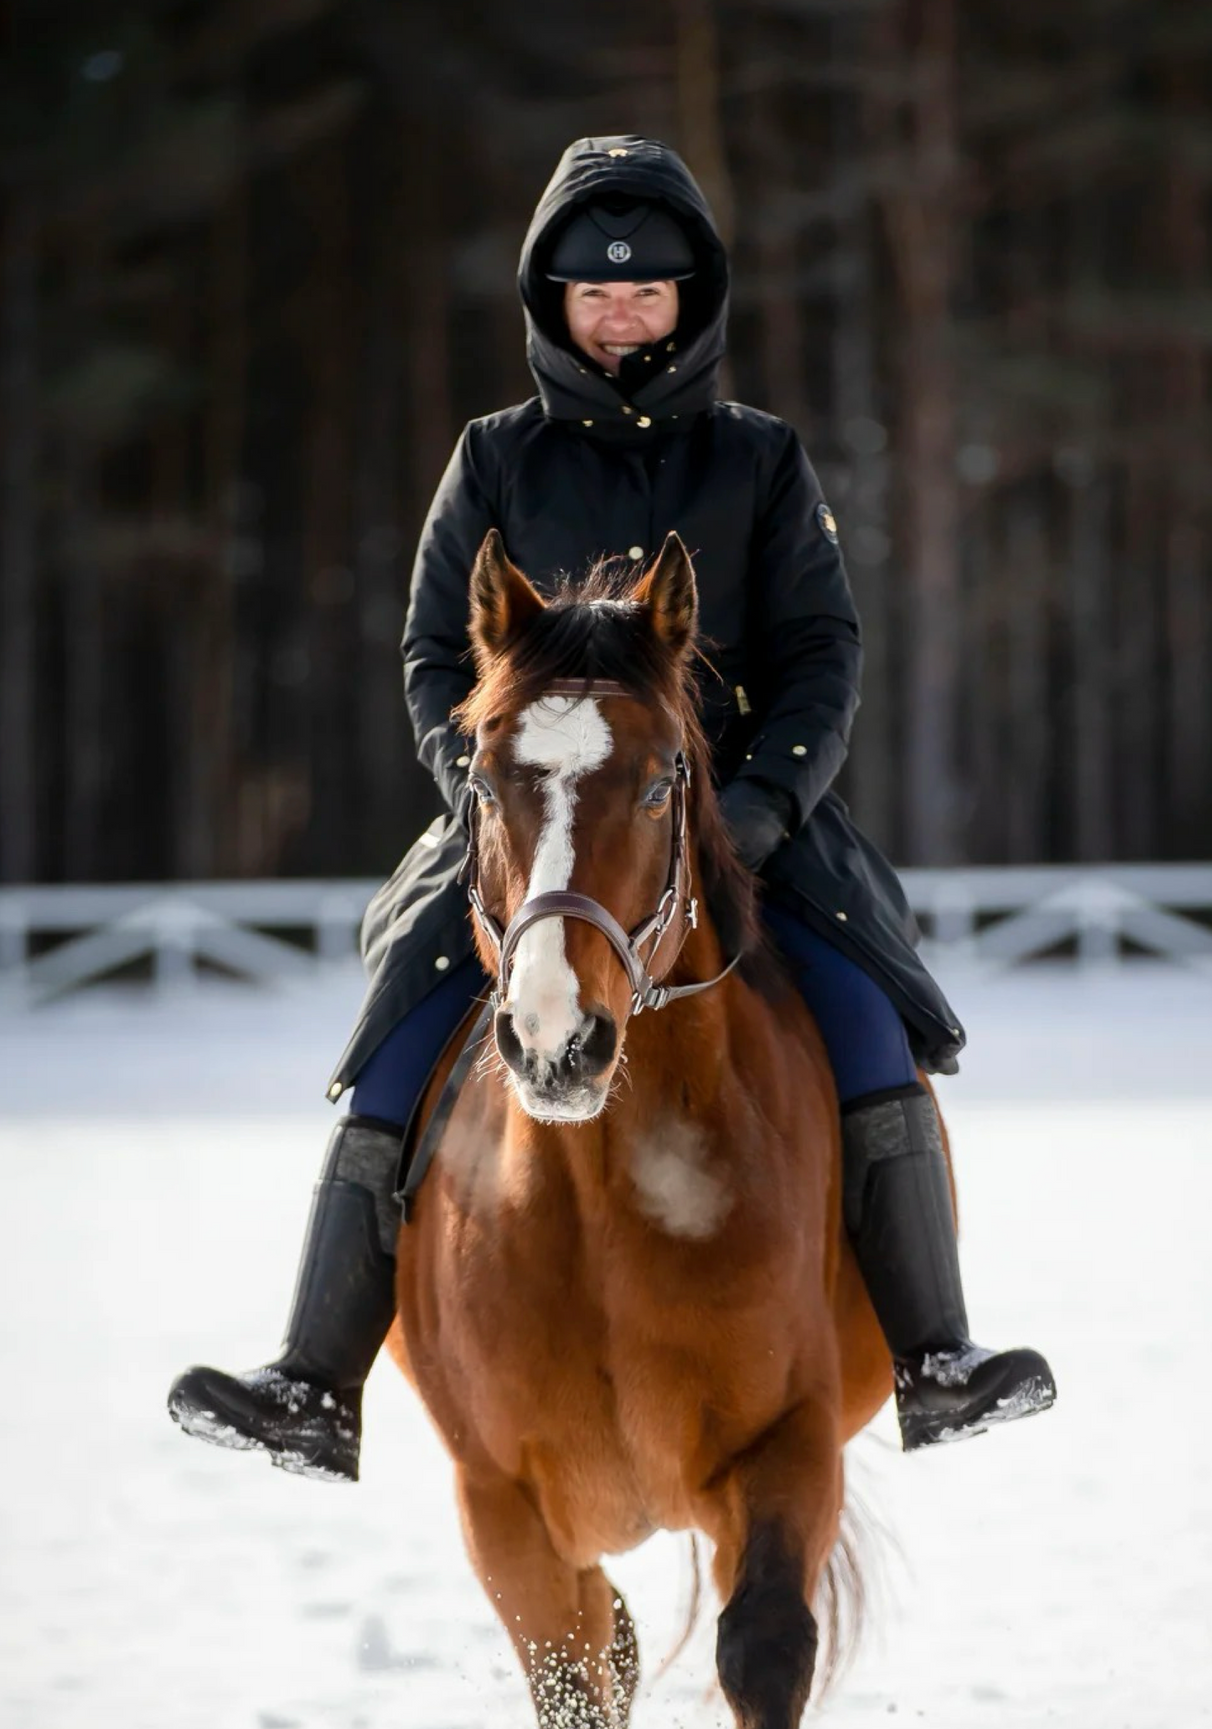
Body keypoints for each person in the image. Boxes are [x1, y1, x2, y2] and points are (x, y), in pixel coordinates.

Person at [168, 135, 1055, 1480]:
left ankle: (935, 1355)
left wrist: (760, 806)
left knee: (871, 1014)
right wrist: (483, 796)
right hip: (525, 817)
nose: (622, 311)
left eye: (649, 291)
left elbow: (825, 650)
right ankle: (314, 1377)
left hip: (738, 815)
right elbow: (429, 652)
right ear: (553, 302)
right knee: (402, 1021)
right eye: (595, 290)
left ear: (694, 300)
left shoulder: (762, 459)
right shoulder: (490, 457)